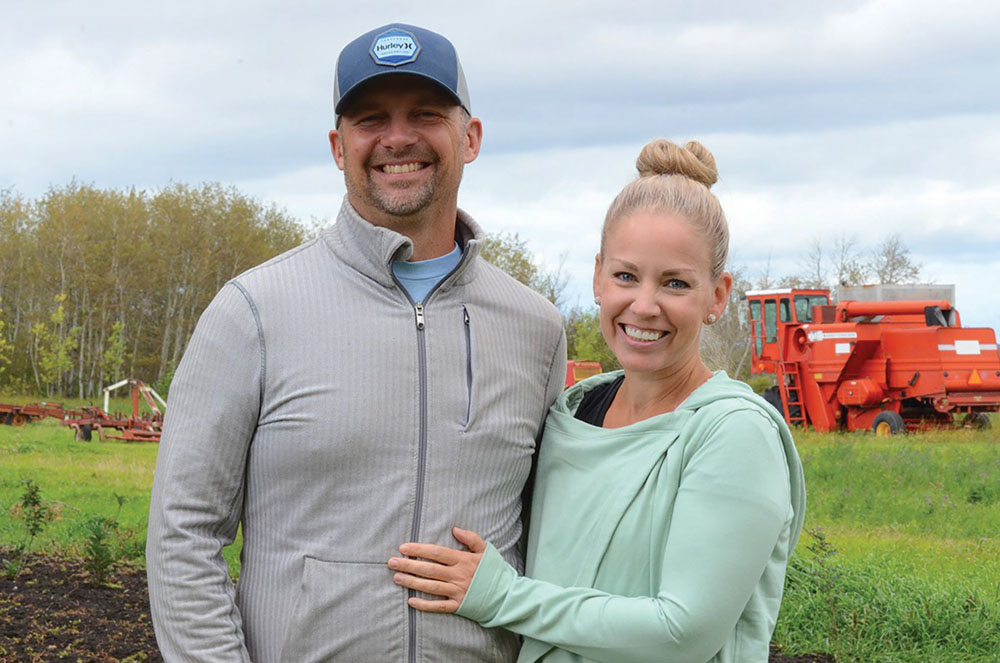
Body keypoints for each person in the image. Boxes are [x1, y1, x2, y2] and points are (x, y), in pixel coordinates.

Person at [146, 23, 566, 663]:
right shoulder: (253, 312)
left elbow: (549, 537)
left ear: (470, 138)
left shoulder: (535, 326)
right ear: (339, 147)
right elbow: (183, 534)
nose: (398, 137)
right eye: (371, 119)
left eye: (425, 113)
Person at [389, 139, 807, 663]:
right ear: (596, 276)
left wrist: (500, 596)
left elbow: (684, 632)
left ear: (717, 296)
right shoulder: (573, 413)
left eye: (675, 283)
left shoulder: (732, 433)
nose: (645, 305)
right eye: (626, 276)